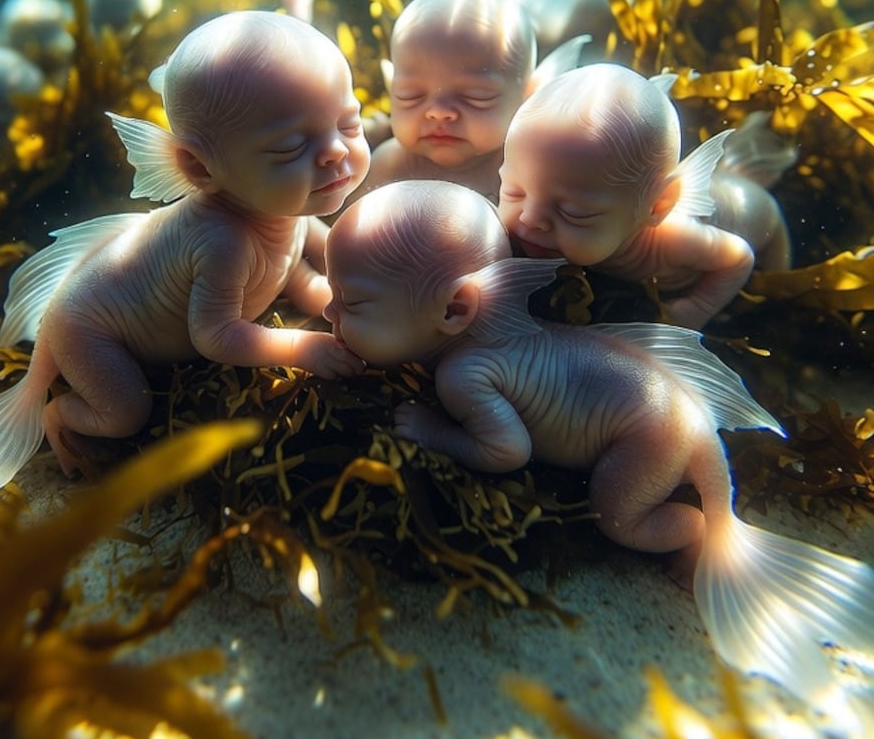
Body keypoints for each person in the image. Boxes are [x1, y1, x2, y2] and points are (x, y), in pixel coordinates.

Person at [323, 181, 874, 708]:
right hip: (669, 409)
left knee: (619, 517)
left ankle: (701, 532)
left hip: (651, 434)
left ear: (453, 310)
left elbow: (505, 451)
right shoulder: (499, 341)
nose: (329, 313)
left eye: (351, 301)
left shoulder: (466, 372)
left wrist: (434, 432)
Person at [0, 11, 370, 487]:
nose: (335, 151)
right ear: (197, 167)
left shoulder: (282, 207)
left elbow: (297, 273)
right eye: (291, 147)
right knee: (126, 412)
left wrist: (334, 299)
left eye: (349, 124)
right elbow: (214, 335)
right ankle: (60, 416)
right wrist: (301, 347)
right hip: (88, 332)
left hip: (102, 309)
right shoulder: (223, 241)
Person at [498, 64, 792, 329]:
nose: (530, 218)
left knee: (780, 301)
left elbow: (738, 258)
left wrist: (696, 307)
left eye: (574, 212)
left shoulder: (674, 239)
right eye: (513, 191)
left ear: (659, 205)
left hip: (767, 218)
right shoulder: (580, 207)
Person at [358, 0, 584, 203]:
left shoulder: (530, 171)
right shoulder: (387, 168)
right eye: (410, 95)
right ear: (391, 88)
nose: (438, 112)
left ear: (531, 94)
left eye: (476, 96)